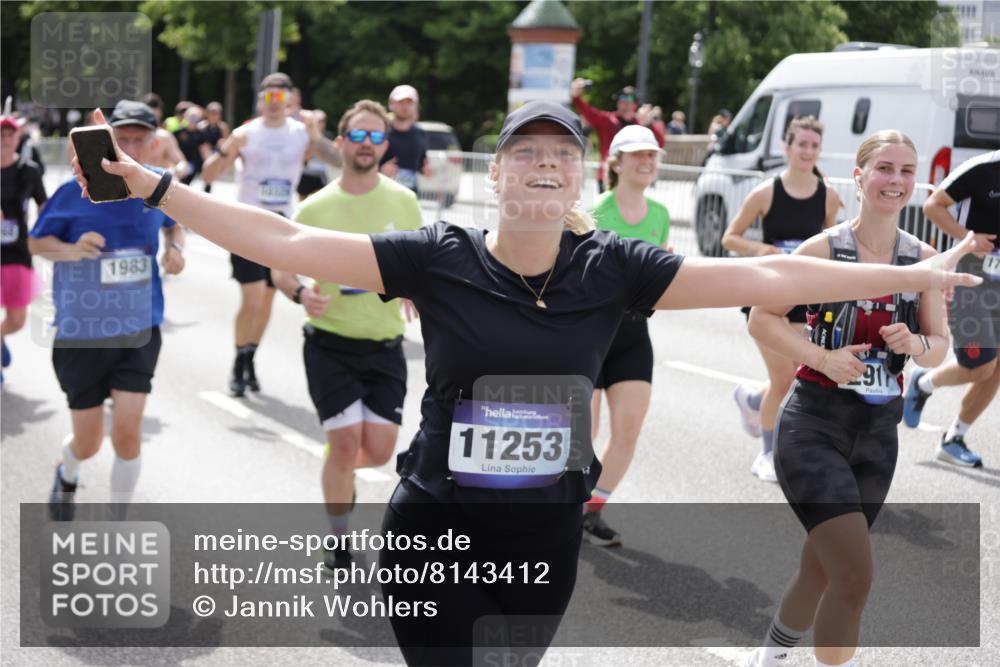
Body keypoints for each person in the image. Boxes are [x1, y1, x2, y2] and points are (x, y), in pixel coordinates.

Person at [74, 103, 979, 666]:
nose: (545, 163)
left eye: (562, 155)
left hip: (545, 535)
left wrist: (916, 277)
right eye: (527, 152)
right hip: (437, 524)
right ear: (496, 175)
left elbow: (769, 280)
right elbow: (289, 245)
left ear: (576, 178)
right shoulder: (440, 254)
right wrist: (158, 189)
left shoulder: (612, 266)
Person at [743, 130, 953, 667]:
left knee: (822, 567)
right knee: (855, 574)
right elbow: (763, 321)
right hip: (813, 427)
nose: (896, 181)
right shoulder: (823, 252)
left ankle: (767, 658)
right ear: (858, 177)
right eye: (885, 168)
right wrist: (823, 358)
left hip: (878, 436)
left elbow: (938, 348)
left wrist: (918, 342)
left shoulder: (922, 259)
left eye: (907, 171)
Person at [272, 99, 422, 570]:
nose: (366, 144)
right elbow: (280, 269)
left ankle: (338, 474)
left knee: (376, 452)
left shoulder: (404, 201)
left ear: (385, 144)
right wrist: (301, 294)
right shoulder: (314, 207)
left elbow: (421, 262)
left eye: (376, 136)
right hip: (329, 344)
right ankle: (339, 540)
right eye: (357, 135)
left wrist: (417, 289)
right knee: (343, 443)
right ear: (340, 144)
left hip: (385, 347)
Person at [30, 100, 185, 520]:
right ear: (110, 142)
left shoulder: (159, 189)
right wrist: (71, 249)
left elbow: (176, 222)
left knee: (129, 432)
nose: (132, 145)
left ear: (154, 144)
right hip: (81, 331)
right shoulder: (72, 193)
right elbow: (36, 243)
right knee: (89, 441)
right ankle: (68, 470)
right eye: (124, 138)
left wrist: (175, 248)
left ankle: (118, 521)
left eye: (140, 139)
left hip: (139, 327)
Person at [723, 116, 843, 482]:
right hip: (768, 298)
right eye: (801, 144)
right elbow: (731, 237)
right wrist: (764, 249)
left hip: (807, 300)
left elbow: (833, 242)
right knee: (783, 378)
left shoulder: (829, 196)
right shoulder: (766, 192)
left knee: (796, 377)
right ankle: (768, 454)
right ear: (786, 147)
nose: (807, 151)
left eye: (814, 146)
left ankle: (754, 402)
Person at [586, 125, 671, 546]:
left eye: (652, 155)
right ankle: (563, 507)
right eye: (637, 155)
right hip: (589, 336)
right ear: (615, 163)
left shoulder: (660, 214)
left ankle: (592, 511)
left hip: (635, 333)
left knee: (629, 431)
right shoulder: (594, 211)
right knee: (584, 436)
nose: (646, 162)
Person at [201, 72, 311, 397]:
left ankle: (250, 358)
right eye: (269, 97)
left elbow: (332, 159)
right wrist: (227, 149)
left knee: (266, 302)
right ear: (261, 100)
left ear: (291, 100)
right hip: (247, 226)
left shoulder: (302, 133)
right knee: (250, 300)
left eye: (281, 97)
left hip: (282, 228)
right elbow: (208, 173)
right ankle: (238, 362)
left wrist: (319, 137)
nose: (275, 104)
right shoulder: (245, 133)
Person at [903, 149, 999, 466]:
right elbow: (934, 205)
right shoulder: (983, 168)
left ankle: (954, 438)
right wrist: (968, 237)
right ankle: (922, 383)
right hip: (969, 280)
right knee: (980, 364)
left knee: (997, 368)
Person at [1, 114, 47, 385]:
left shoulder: (28, 170)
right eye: (1, 135)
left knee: (17, 320)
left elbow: (44, 205)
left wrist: (47, 234)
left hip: (17, 251)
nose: (5, 140)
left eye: (10, 135)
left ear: (18, 138)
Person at [570, 79, 665, 192]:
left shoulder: (640, 123)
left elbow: (660, 142)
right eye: (621, 100)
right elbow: (587, 111)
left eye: (629, 100)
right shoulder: (607, 120)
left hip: (632, 175)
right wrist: (576, 96)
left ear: (635, 105)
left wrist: (649, 123)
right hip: (608, 175)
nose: (624, 104)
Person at [379, 84, 431, 197]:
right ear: (391, 104)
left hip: (410, 195)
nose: (405, 106)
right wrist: (380, 170)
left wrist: (426, 170)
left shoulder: (420, 133)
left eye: (409, 102)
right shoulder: (380, 132)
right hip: (382, 194)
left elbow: (422, 162)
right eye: (400, 102)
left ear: (416, 106)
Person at [139, 93, 190, 180]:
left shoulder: (165, 137)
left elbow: (183, 165)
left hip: (156, 187)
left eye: (154, 115)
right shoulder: (130, 136)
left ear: (160, 113)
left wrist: (173, 172)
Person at [197, 101, 230, 194]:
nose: (214, 116)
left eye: (217, 113)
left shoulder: (222, 127)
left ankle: (208, 184)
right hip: (203, 153)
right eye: (212, 113)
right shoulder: (202, 126)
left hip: (216, 154)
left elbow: (226, 142)